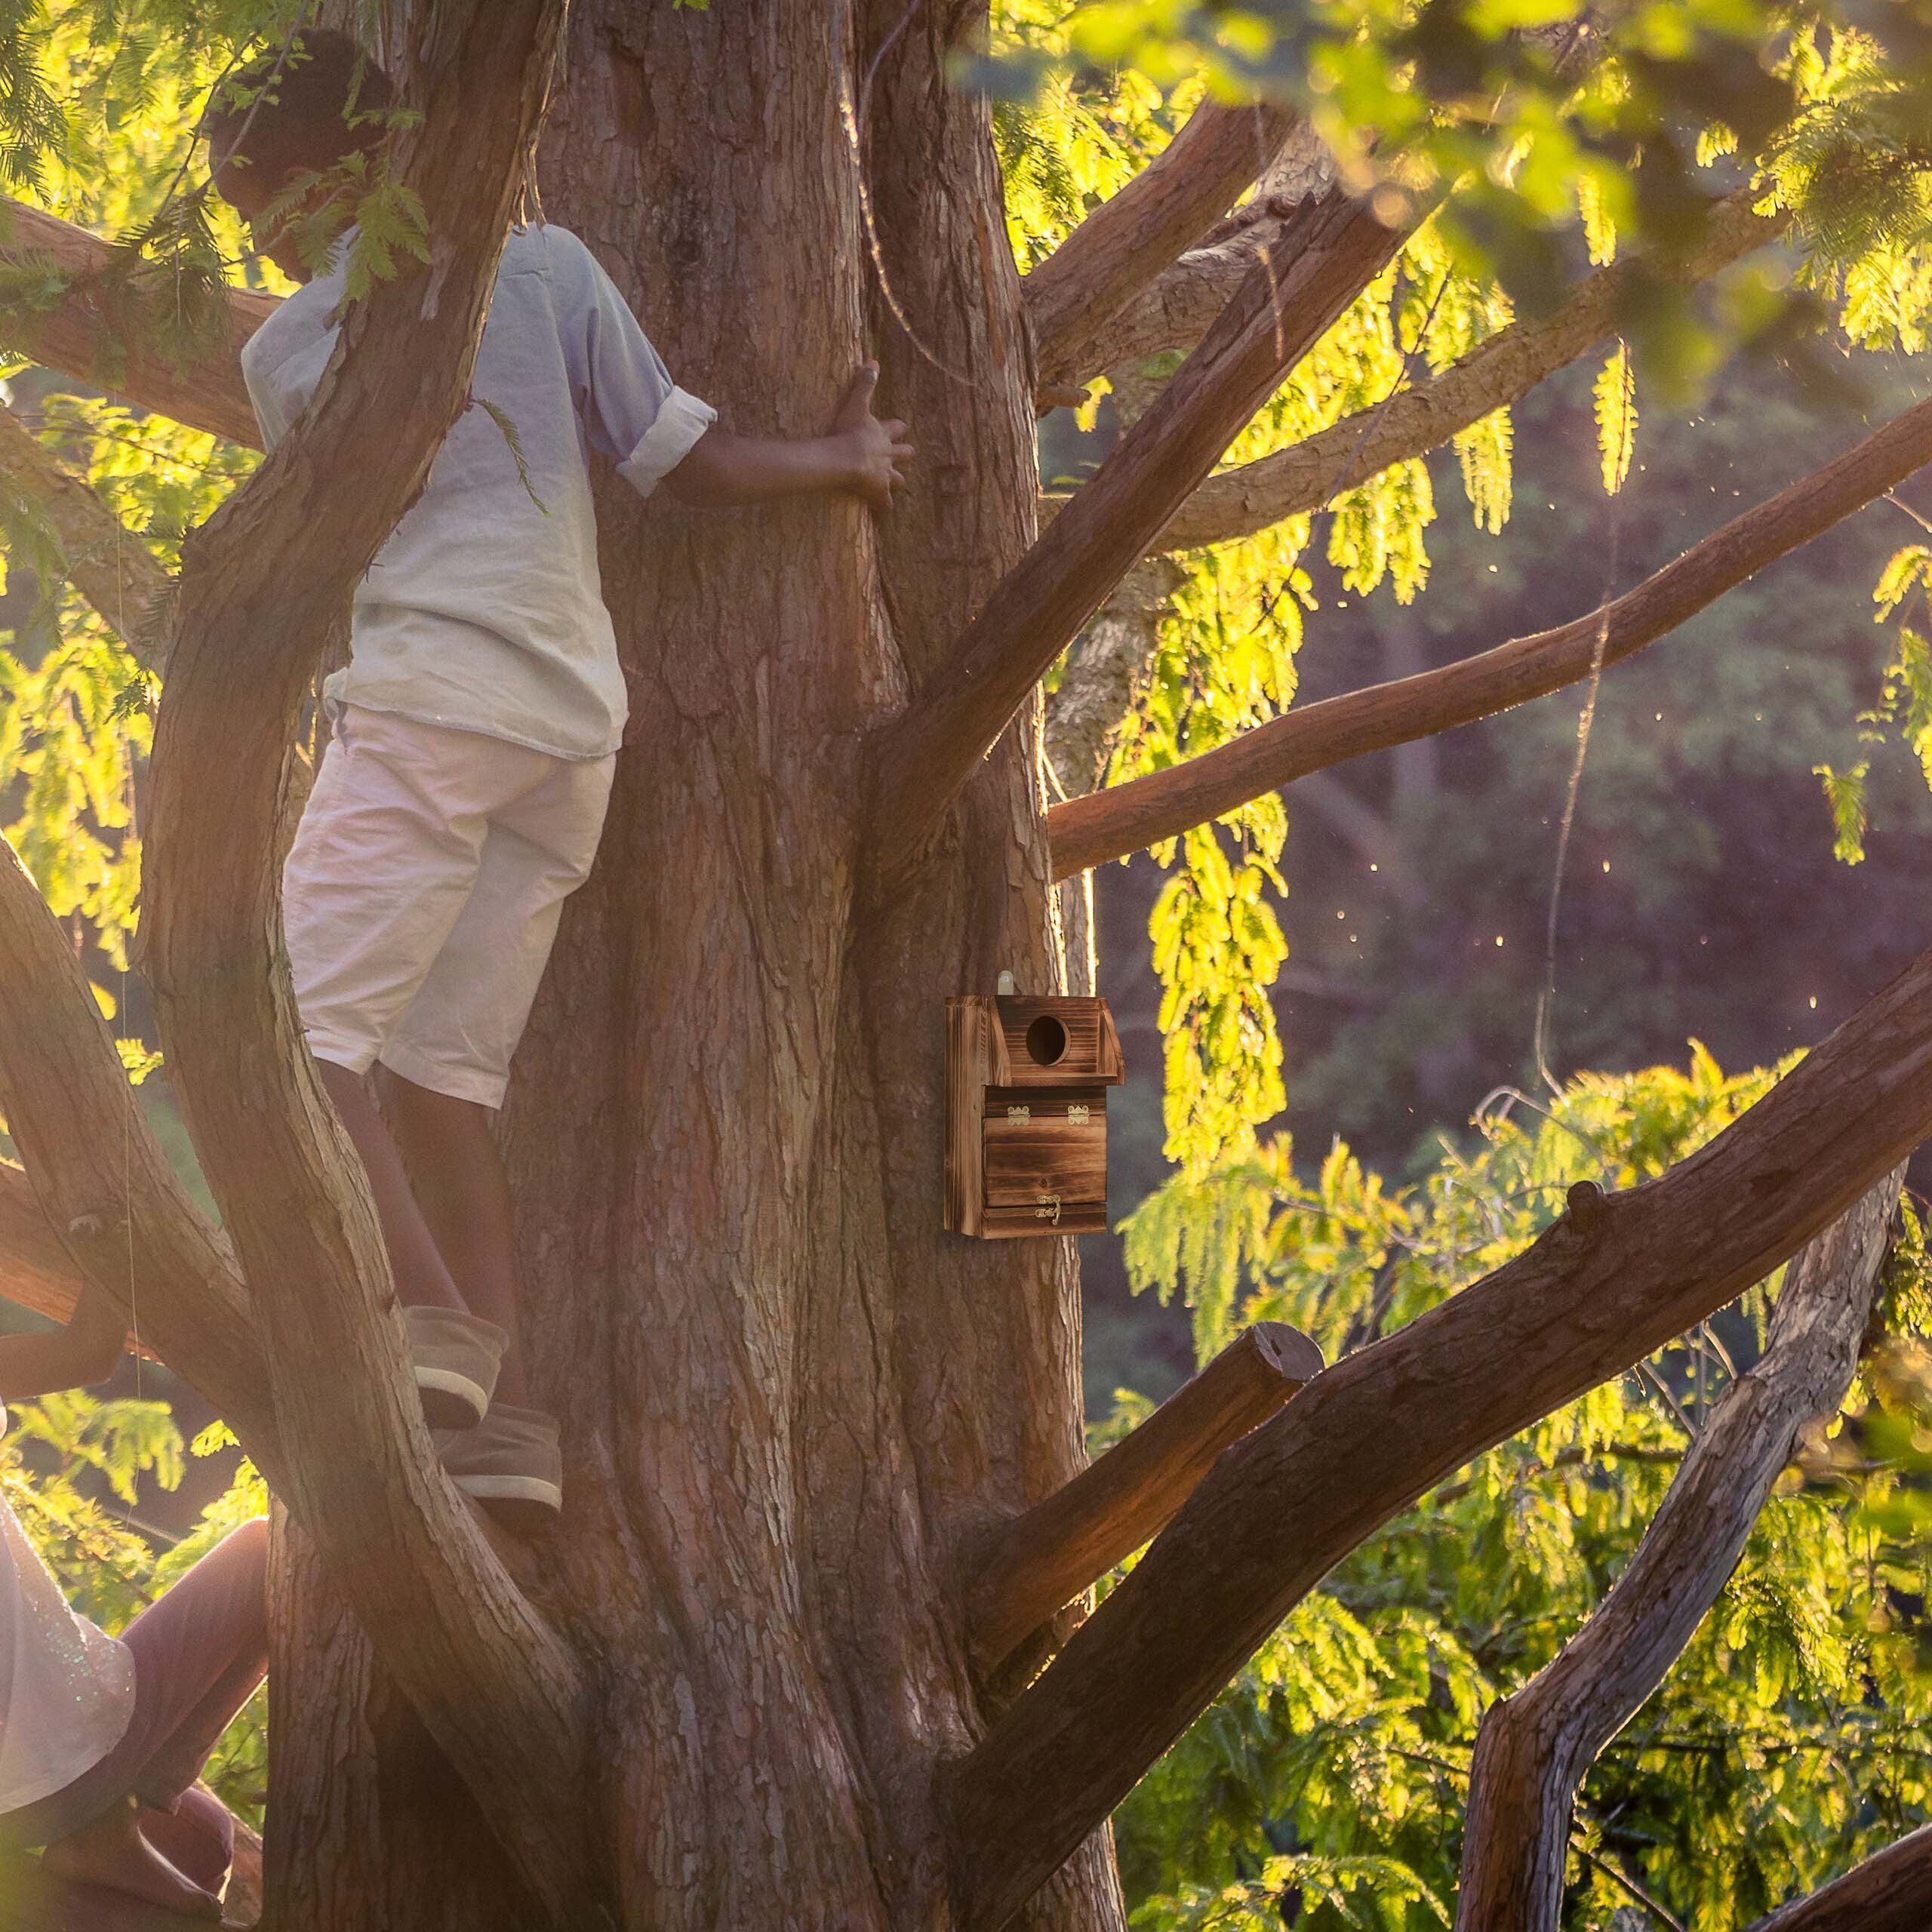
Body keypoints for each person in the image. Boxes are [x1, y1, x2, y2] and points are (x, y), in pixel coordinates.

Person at [199, 32, 912, 1526]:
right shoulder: (542, 267)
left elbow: (328, 559)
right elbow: (684, 459)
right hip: (569, 735)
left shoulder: (285, 350)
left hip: (422, 705)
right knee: (440, 1084)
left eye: (244, 190)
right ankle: (506, 1435)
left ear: (335, 167)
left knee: (298, 1043)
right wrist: (844, 459)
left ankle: (428, 1337)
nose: (241, 225)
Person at [0, 1282, 267, 1921]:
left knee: (200, 1832)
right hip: (52, 1757)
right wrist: (111, 1206)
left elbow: (87, 1354)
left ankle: (110, 1833)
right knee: (265, 1556)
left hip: (25, 1789)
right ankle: (104, 1829)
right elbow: (90, 1351)